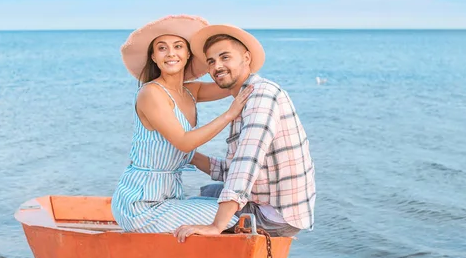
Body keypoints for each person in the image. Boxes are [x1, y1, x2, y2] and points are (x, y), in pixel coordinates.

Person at [111, 15, 254, 233]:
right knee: (234, 217)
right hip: (140, 204)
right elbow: (184, 143)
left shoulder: (191, 91)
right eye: (162, 48)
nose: (171, 53)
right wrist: (229, 115)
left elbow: (234, 81)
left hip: (169, 198)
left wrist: (240, 59)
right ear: (153, 56)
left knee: (235, 205)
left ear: (188, 54)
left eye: (178, 46)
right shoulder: (151, 93)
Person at [174, 25, 316, 242]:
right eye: (211, 61)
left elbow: (245, 164)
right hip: (267, 201)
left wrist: (216, 226)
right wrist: (186, 154)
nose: (217, 66)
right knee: (208, 192)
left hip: (275, 215)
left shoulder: (261, 96)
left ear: (246, 58)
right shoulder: (245, 98)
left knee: (179, 211)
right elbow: (230, 170)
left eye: (225, 57)